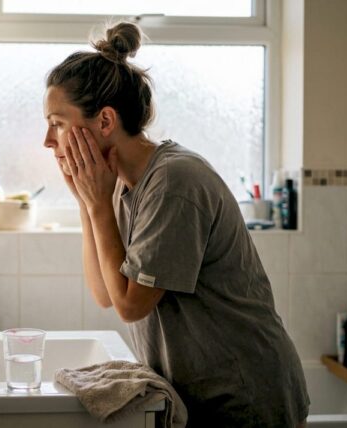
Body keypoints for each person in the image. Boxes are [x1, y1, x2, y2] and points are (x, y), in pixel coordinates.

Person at [42, 21, 310, 427]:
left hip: (245, 396)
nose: (48, 139)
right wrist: (87, 201)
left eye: (58, 122)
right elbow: (103, 293)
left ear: (105, 121)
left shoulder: (174, 182)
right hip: (206, 396)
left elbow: (131, 305)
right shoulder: (121, 185)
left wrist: (97, 206)